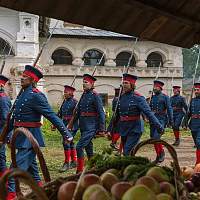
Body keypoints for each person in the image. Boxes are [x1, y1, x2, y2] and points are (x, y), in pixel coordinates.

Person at [6, 65, 73, 200]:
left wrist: (66, 134)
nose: (21, 78)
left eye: (25, 77)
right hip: (20, 136)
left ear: (32, 80)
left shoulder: (37, 96)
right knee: (34, 172)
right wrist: (4, 134)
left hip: (30, 139)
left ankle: (10, 196)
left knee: (13, 172)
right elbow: (13, 119)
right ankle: (43, 193)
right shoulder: (22, 94)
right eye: (22, 76)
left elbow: (52, 116)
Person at [108, 73, 164, 156]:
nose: (124, 85)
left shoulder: (139, 98)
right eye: (123, 83)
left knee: (127, 151)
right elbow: (116, 115)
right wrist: (109, 129)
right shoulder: (121, 98)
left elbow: (148, 113)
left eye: (126, 83)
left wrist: (159, 126)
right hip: (124, 128)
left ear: (132, 84)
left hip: (135, 129)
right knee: (129, 152)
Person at [72, 74, 105, 173]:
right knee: (88, 148)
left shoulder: (95, 96)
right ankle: (94, 168)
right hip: (83, 125)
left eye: (86, 82)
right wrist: (72, 124)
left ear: (92, 84)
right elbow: (78, 112)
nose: (83, 84)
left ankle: (79, 170)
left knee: (79, 147)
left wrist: (102, 129)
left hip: (92, 126)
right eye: (83, 82)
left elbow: (101, 112)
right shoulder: (83, 95)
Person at [150, 80, 173, 163]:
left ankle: (161, 152)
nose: (154, 88)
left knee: (157, 137)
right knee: (153, 139)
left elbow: (169, 109)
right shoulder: (151, 97)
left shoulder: (165, 97)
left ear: (160, 88)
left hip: (161, 119)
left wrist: (171, 120)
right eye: (154, 87)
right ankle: (158, 155)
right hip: (153, 120)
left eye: (156, 87)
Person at [58, 85, 78, 172]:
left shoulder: (75, 102)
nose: (64, 93)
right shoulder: (64, 102)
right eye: (64, 92)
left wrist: (71, 124)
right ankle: (74, 161)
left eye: (66, 92)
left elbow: (76, 115)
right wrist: (55, 123)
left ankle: (67, 163)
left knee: (66, 142)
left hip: (72, 125)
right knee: (71, 143)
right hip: (64, 124)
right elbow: (60, 113)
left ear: (71, 93)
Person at [0, 75, 11, 177]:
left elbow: (5, 119)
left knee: (0, 156)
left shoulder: (3, 99)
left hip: (1, 131)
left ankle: (6, 180)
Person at [187, 83, 200, 165]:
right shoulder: (192, 100)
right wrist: (185, 122)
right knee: (196, 143)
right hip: (193, 124)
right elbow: (189, 112)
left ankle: (198, 162)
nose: (196, 91)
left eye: (198, 90)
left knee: (199, 142)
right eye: (195, 90)